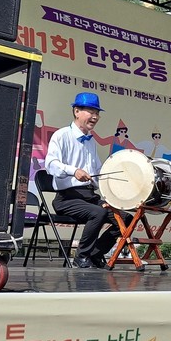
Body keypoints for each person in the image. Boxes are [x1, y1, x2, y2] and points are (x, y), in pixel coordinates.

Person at [44, 92, 132, 269]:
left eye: (97, 113)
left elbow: (98, 172)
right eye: (91, 112)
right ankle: (81, 256)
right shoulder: (62, 135)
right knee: (98, 213)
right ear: (76, 111)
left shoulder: (91, 142)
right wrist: (74, 171)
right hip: (67, 198)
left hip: (90, 197)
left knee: (126, 219)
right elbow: (50, 164)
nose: (95, 117)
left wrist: (113, 188)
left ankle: (95, 254)